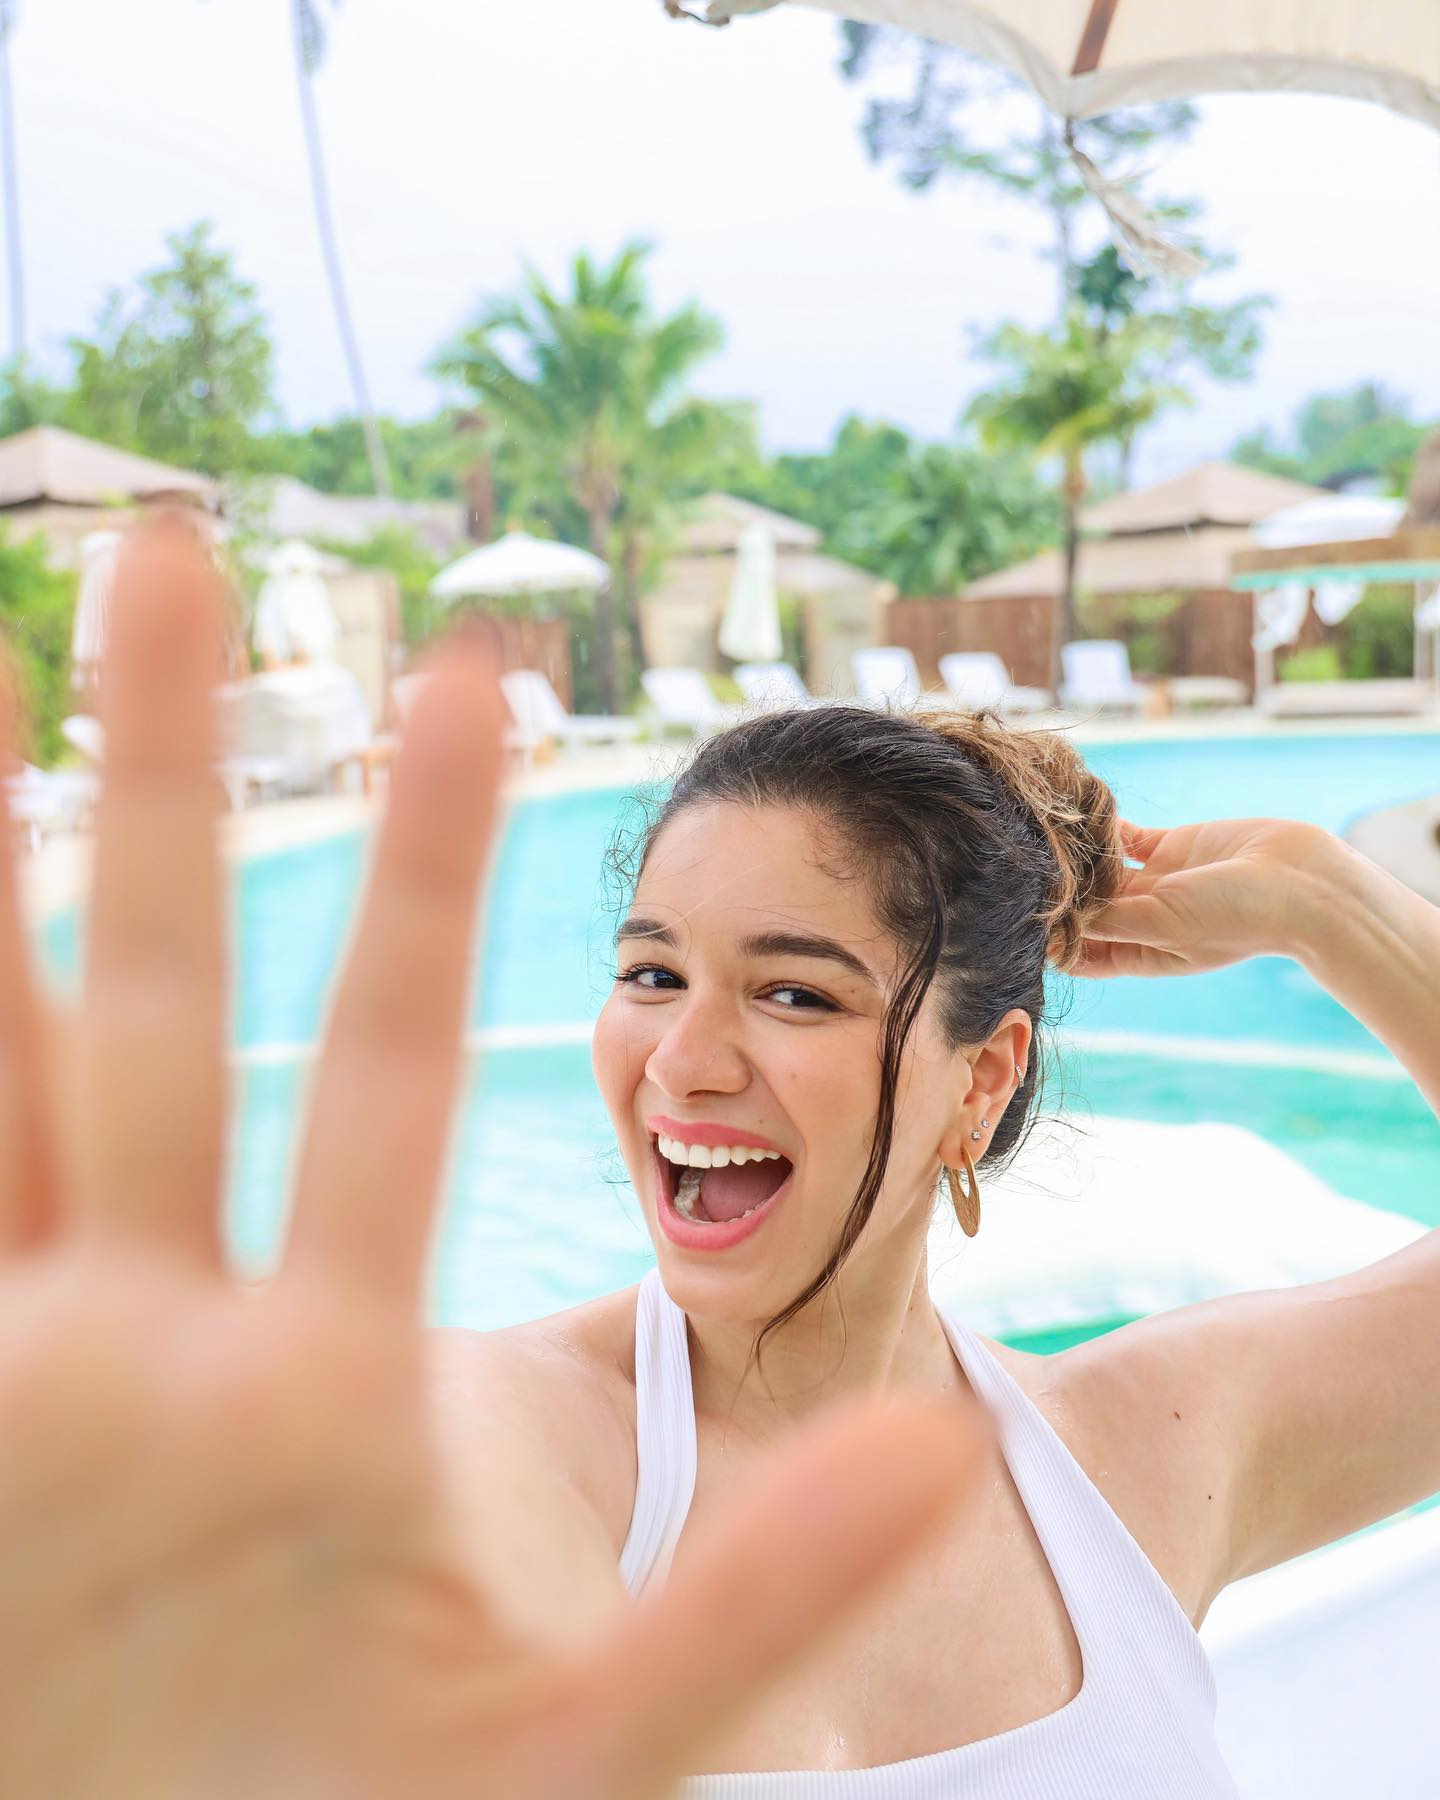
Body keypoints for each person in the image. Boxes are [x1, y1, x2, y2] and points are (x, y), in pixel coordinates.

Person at [1, 521, 1436, 1796]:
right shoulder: (536, 1444)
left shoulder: (1144, 1461)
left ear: (978, 1086)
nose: (683, 1059)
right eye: (651, 973)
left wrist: (1333, 908)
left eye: (795, 991)